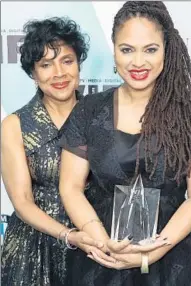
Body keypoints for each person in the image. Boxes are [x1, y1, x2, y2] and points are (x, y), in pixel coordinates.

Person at [59, 1, 191, 285]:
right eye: (127, 49)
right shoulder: (90, 110)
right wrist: (100, 238)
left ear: (167, 49)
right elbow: (70, 186)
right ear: (114, 49)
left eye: (150, 49)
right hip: (100, 256)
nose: (138, 62)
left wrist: (152, 253)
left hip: (173, 259)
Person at [1, 17, 109, 286]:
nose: (59, 73)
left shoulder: (102, 119)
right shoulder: (15, 125)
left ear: (79, 64)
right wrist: (68, 235)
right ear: (33, 74)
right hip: (35, 248)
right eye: (46, 65)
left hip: (96, 242)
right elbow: (23, 201)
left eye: (67, 61)